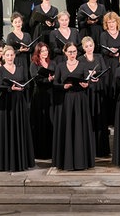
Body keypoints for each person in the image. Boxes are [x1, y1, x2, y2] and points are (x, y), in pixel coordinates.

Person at [53, 42, 95, 170]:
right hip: (66, 100)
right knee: (67, 129)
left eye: (74, 52)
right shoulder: (60, 66)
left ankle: (81, 160)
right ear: (65, 52)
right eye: (70, 52)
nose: (72, 54)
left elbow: (87, 81)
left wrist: (86, 84)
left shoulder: (83, 65)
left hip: (79, 101)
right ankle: (66, 161)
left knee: (79, 128)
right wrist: (63, 86)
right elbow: (55, 84)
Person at [0, 45, 35, 172]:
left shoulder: (21, 68)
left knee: (19, 129)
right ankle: (5, 162)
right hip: (6, 103)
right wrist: (10, 88)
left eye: (12, 55)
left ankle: (21, 160)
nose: (10, 57)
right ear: (3, 57)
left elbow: (27, 83)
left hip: (19, 102)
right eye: (7, 55)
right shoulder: (0, 70)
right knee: (6, 130)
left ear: (14, 56)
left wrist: (23, 87)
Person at [78, 36, 109, 157]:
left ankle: (101, 148)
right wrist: (88, 74)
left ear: (94, 46)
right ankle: (88, 147)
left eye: (90, 46)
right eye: (86, 46)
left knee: (100, 117)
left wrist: (96, 74)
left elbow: (105, 70)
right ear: (83, 47)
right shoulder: (80, 59)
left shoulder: (99, 57)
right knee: (89, 117)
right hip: (88, 91)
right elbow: (79, 72)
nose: (89, 48)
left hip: (99, 89)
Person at [100, 12, 120, 126]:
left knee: (119, 90)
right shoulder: (104, 35)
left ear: (117, 23)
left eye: (113, 22)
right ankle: (109, 119)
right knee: (109, 90)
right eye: (109, 22)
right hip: (108, 65)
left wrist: (119, 53)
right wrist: (110, 51)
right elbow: (103, 50)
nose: (111, 24)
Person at [29, 42, 56, 160]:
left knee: (50, 122)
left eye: (46, 50)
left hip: (50, 94)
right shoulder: (34, 64)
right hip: (39, 95)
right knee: (40, 122)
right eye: (42, 51)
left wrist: (52, 79)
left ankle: (51, 151)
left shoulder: (53, 63)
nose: (45, 53)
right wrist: (47, 79)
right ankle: (39, 152)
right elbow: (36, 79)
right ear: (38, 52)